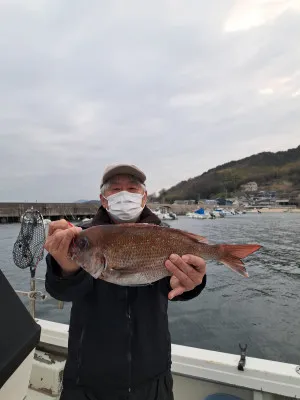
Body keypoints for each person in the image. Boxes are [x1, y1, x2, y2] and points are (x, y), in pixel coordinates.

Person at [44, 164, 207, 400]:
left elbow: (173, 287)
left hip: (153, 378)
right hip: (87, 380)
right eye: (115, 189)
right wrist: (66, 268)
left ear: (143, 198)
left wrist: (194, 282)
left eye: (132, 188)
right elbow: (60, 290)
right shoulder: (82, 239)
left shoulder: (164, 236)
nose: (124, 194)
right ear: (103, 198)